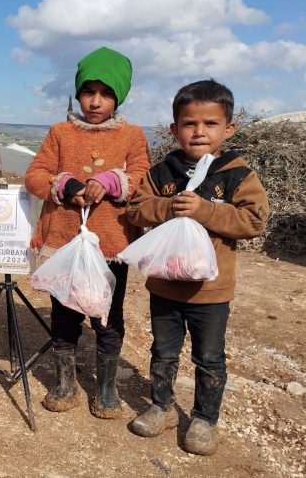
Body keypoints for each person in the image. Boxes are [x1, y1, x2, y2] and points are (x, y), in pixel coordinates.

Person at [126, 79, 269, 455]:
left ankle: (205, 418)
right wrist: (167, 207)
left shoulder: (237, 173)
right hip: (165, 285)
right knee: (163, 351)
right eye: (189, 124)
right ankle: (162, 406)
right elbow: (137, 208)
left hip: (212, 290)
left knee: (209, 357)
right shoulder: (163, 172)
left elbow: (254, 220)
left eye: (210, 124)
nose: (199, 132)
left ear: (229, 128)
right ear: (174, 129)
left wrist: (206, 211)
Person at [24, 47, 150, 418]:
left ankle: (106, 387)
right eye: (88, 91)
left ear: (119, 95)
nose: (95, 101)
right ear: (78, 92)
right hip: (65, 243)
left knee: (107, 315)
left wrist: (113, 180)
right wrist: (64, 184)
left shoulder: (132, 135)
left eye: (106, 93)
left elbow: (144, 177)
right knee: (64, 313)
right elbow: (35, 174)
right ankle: (65, 383)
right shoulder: (59, 132)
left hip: (111, 245)